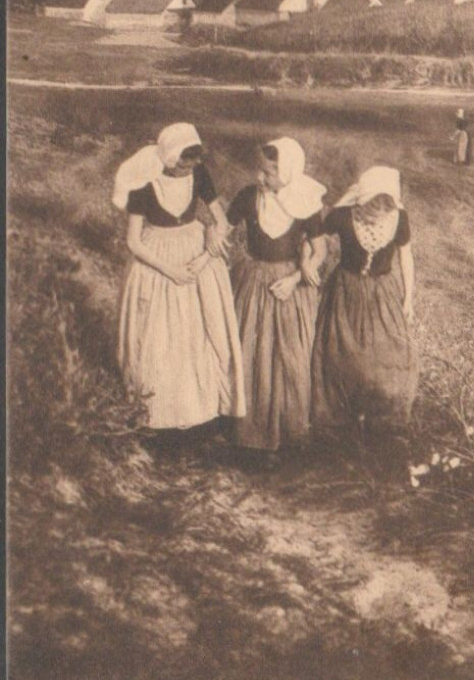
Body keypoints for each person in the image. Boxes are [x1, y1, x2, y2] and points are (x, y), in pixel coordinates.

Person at [113, 123, 245, 431]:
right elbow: (133, 242)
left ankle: (200, 413)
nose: (191, 168)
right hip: (157, 257)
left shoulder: (199, 175)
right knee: (158, 339)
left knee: (200, 332)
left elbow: (222, 222)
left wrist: (207, 247)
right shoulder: (144, 184)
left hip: (196, 254)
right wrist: (169, 270)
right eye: (185, 162)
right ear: (170, 156)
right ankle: (156, 416)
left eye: (195, 161)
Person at [226, 137, 327, 456]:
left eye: (269, 172)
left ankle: (289, 433)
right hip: (254, 280)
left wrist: (300, 274)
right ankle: (250, 436)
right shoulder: (248, 197)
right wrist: (210, 244)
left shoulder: (305, 203)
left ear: (288, 172)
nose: (261, 177)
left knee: (290, 357)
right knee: (250, 352)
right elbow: (222, 228)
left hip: (288, 286)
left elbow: (320, 247)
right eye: (259, 170)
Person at [309, 166, 417, 436]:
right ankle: (341, 416)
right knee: (341, 351)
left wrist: (408, 298)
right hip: (346, 290)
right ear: (362, 200)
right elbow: (315, 234)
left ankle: (379, 416)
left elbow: (406, 258)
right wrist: (306, 261)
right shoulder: (345, 216)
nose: (376, 216)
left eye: (383, 211)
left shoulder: (399, 218)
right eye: (371, 209)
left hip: (383, 293)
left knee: (388, 353)